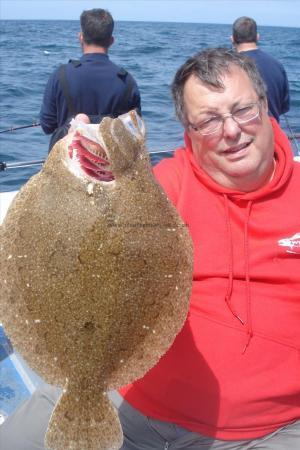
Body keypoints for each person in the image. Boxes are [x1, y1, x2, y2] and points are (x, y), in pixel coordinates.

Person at [1, 48, 300, 450]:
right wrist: (81, 165)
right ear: (188, 131)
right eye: (209, 120)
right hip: (126, 395)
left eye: (243, 110)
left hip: (263, 432)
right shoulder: (158, 189)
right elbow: (82, 229)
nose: (231, 130)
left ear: (266, 107)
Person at [39, 8, 141, 151]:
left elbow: (47, 126)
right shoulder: (127, 82)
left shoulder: (60, 75)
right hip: (108, 168)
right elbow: (134, 133)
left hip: (67, 166)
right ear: (111, 41)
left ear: (81, 37)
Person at [231, 16, 290, 123]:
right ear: (257, 37)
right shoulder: (277, 65)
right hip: (272, 134)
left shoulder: (227, 67)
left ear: (232, 39)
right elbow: (283, 107)